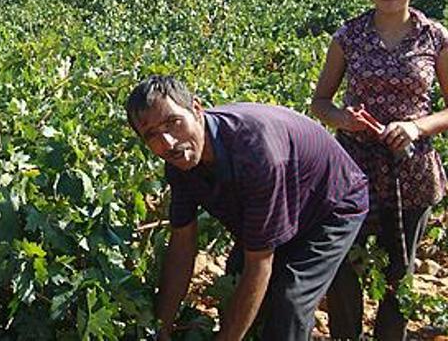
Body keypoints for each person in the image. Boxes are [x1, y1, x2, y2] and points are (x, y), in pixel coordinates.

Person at [125, 75, 368, 341]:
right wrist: (161, 329)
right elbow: (182, 245)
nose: (169, 142)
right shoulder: (180, 162)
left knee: (289, 300)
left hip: (330, 204)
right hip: (282, 200)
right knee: (235, 285)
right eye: (152, 135)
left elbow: (260, 263)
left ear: (196, 109)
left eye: (174, 123)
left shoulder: (255, 154)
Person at [311, 0, 448, 340]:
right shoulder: (349, 36)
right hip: (353, 168)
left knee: (398, 270)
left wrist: (416, 127)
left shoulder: (435, 37)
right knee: (342, 264)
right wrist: (345, 120)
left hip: (411, 169)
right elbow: (321, 102)